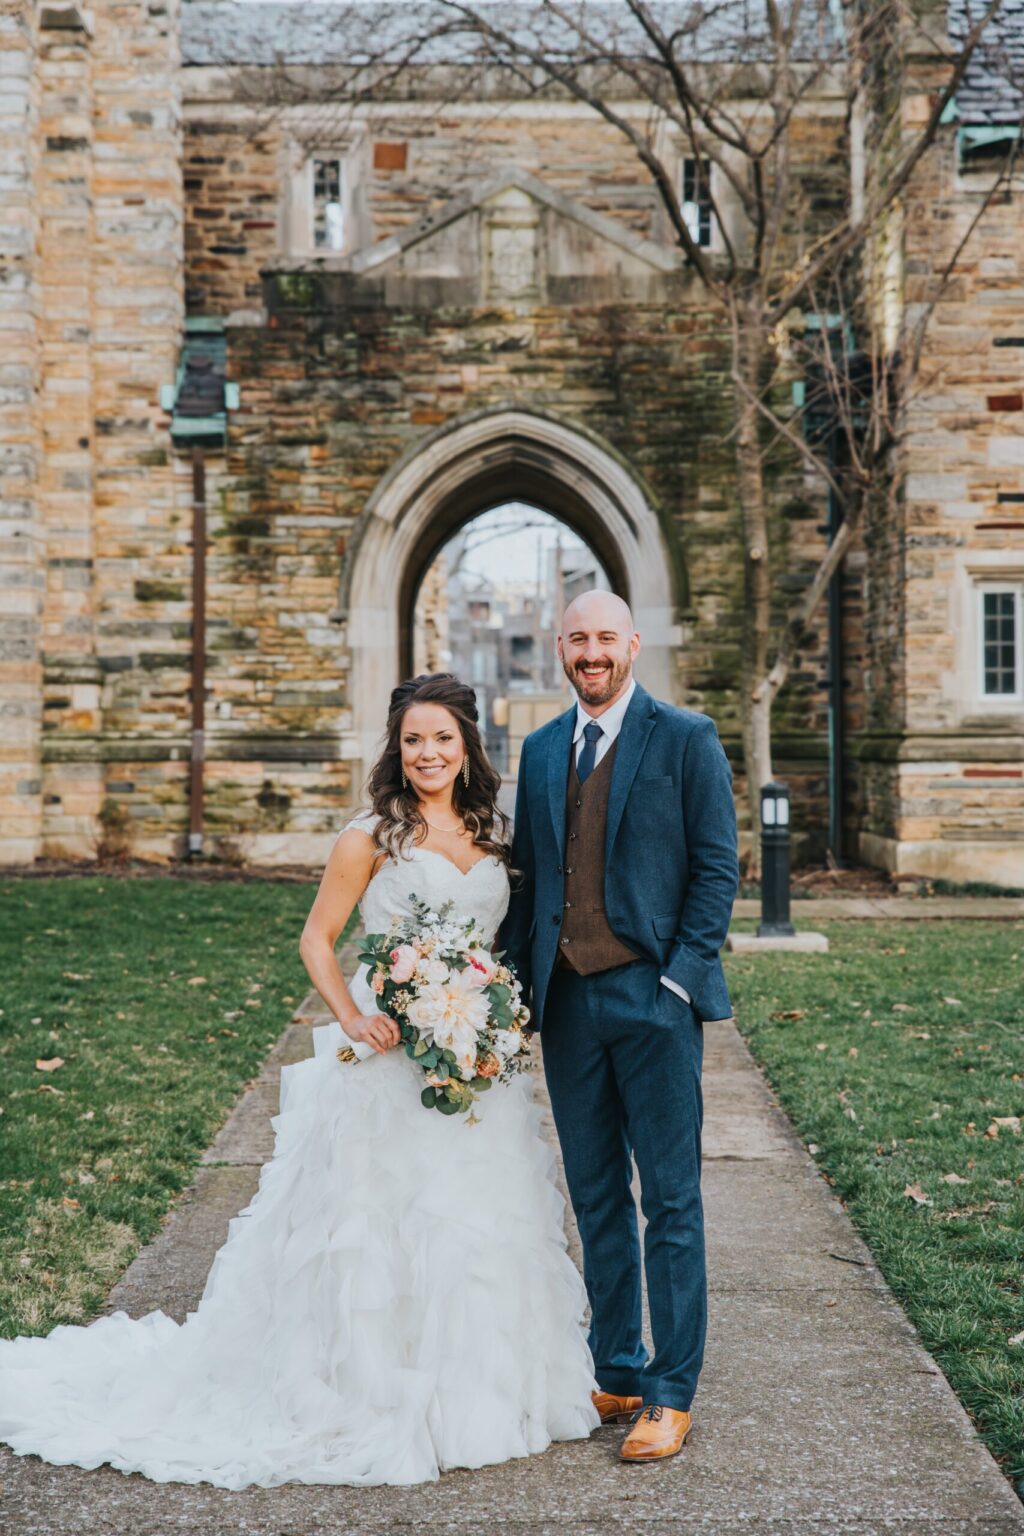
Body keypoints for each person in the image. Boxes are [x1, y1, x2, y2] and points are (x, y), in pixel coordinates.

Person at [0, 673, 599, 1489]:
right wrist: (353, 1017)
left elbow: (502, 942)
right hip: (387, 1065)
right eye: (413, 739)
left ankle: (476, 1397)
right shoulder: (370, 837)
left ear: (467, 749)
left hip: (474, 1069)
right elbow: (318, 940)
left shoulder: (495, 836)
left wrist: (491, 1018)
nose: (427, 753)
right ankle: (366, 1396)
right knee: (380, 1231)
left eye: (443, 739)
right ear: (397, 748)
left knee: (478, 1228)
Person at [499, 591, 738, 1464]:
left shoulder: (686, 738)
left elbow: (718, 867)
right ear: (560, 650)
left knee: (671, 1202)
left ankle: (672, 1393)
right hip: (567, 1008)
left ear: (631, 645)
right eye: (577, 640)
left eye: (605, 638)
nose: (590, 653)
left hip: (653, 1001)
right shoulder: (536, 750)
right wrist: (509, 992)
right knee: (598, 1198)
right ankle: (620, 1368)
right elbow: (527, 881)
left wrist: (679, 978)